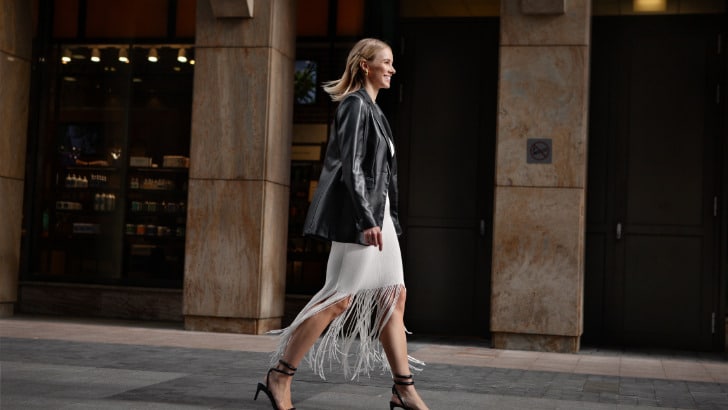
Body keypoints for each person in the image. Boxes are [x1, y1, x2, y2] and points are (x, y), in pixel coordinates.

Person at [254, 38, 429, 410]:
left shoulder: (376, 111)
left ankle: (404, 389)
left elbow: (381, 175)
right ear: (365, 65)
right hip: (361, 216)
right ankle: (280, 376)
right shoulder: (354, 105)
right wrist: (366, 218)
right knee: (339, 299)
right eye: (387, 62)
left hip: (378, 216)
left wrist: (385, 219)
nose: (393, 69)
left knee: (393, 297)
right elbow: (349, 167)